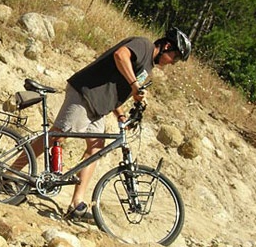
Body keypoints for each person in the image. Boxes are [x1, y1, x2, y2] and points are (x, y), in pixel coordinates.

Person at [14, 28, 191, 218]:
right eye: (176, 57)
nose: (173, 62)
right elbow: (120, 55)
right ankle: (12, 173)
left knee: (96, 148)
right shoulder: (144, 45)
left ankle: (76, 202)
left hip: (99, 106)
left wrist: (121, 115)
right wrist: (135, 86)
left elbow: (116, 89)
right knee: (59, 135)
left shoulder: (148, 67)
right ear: (166, 46)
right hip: (86, 93)